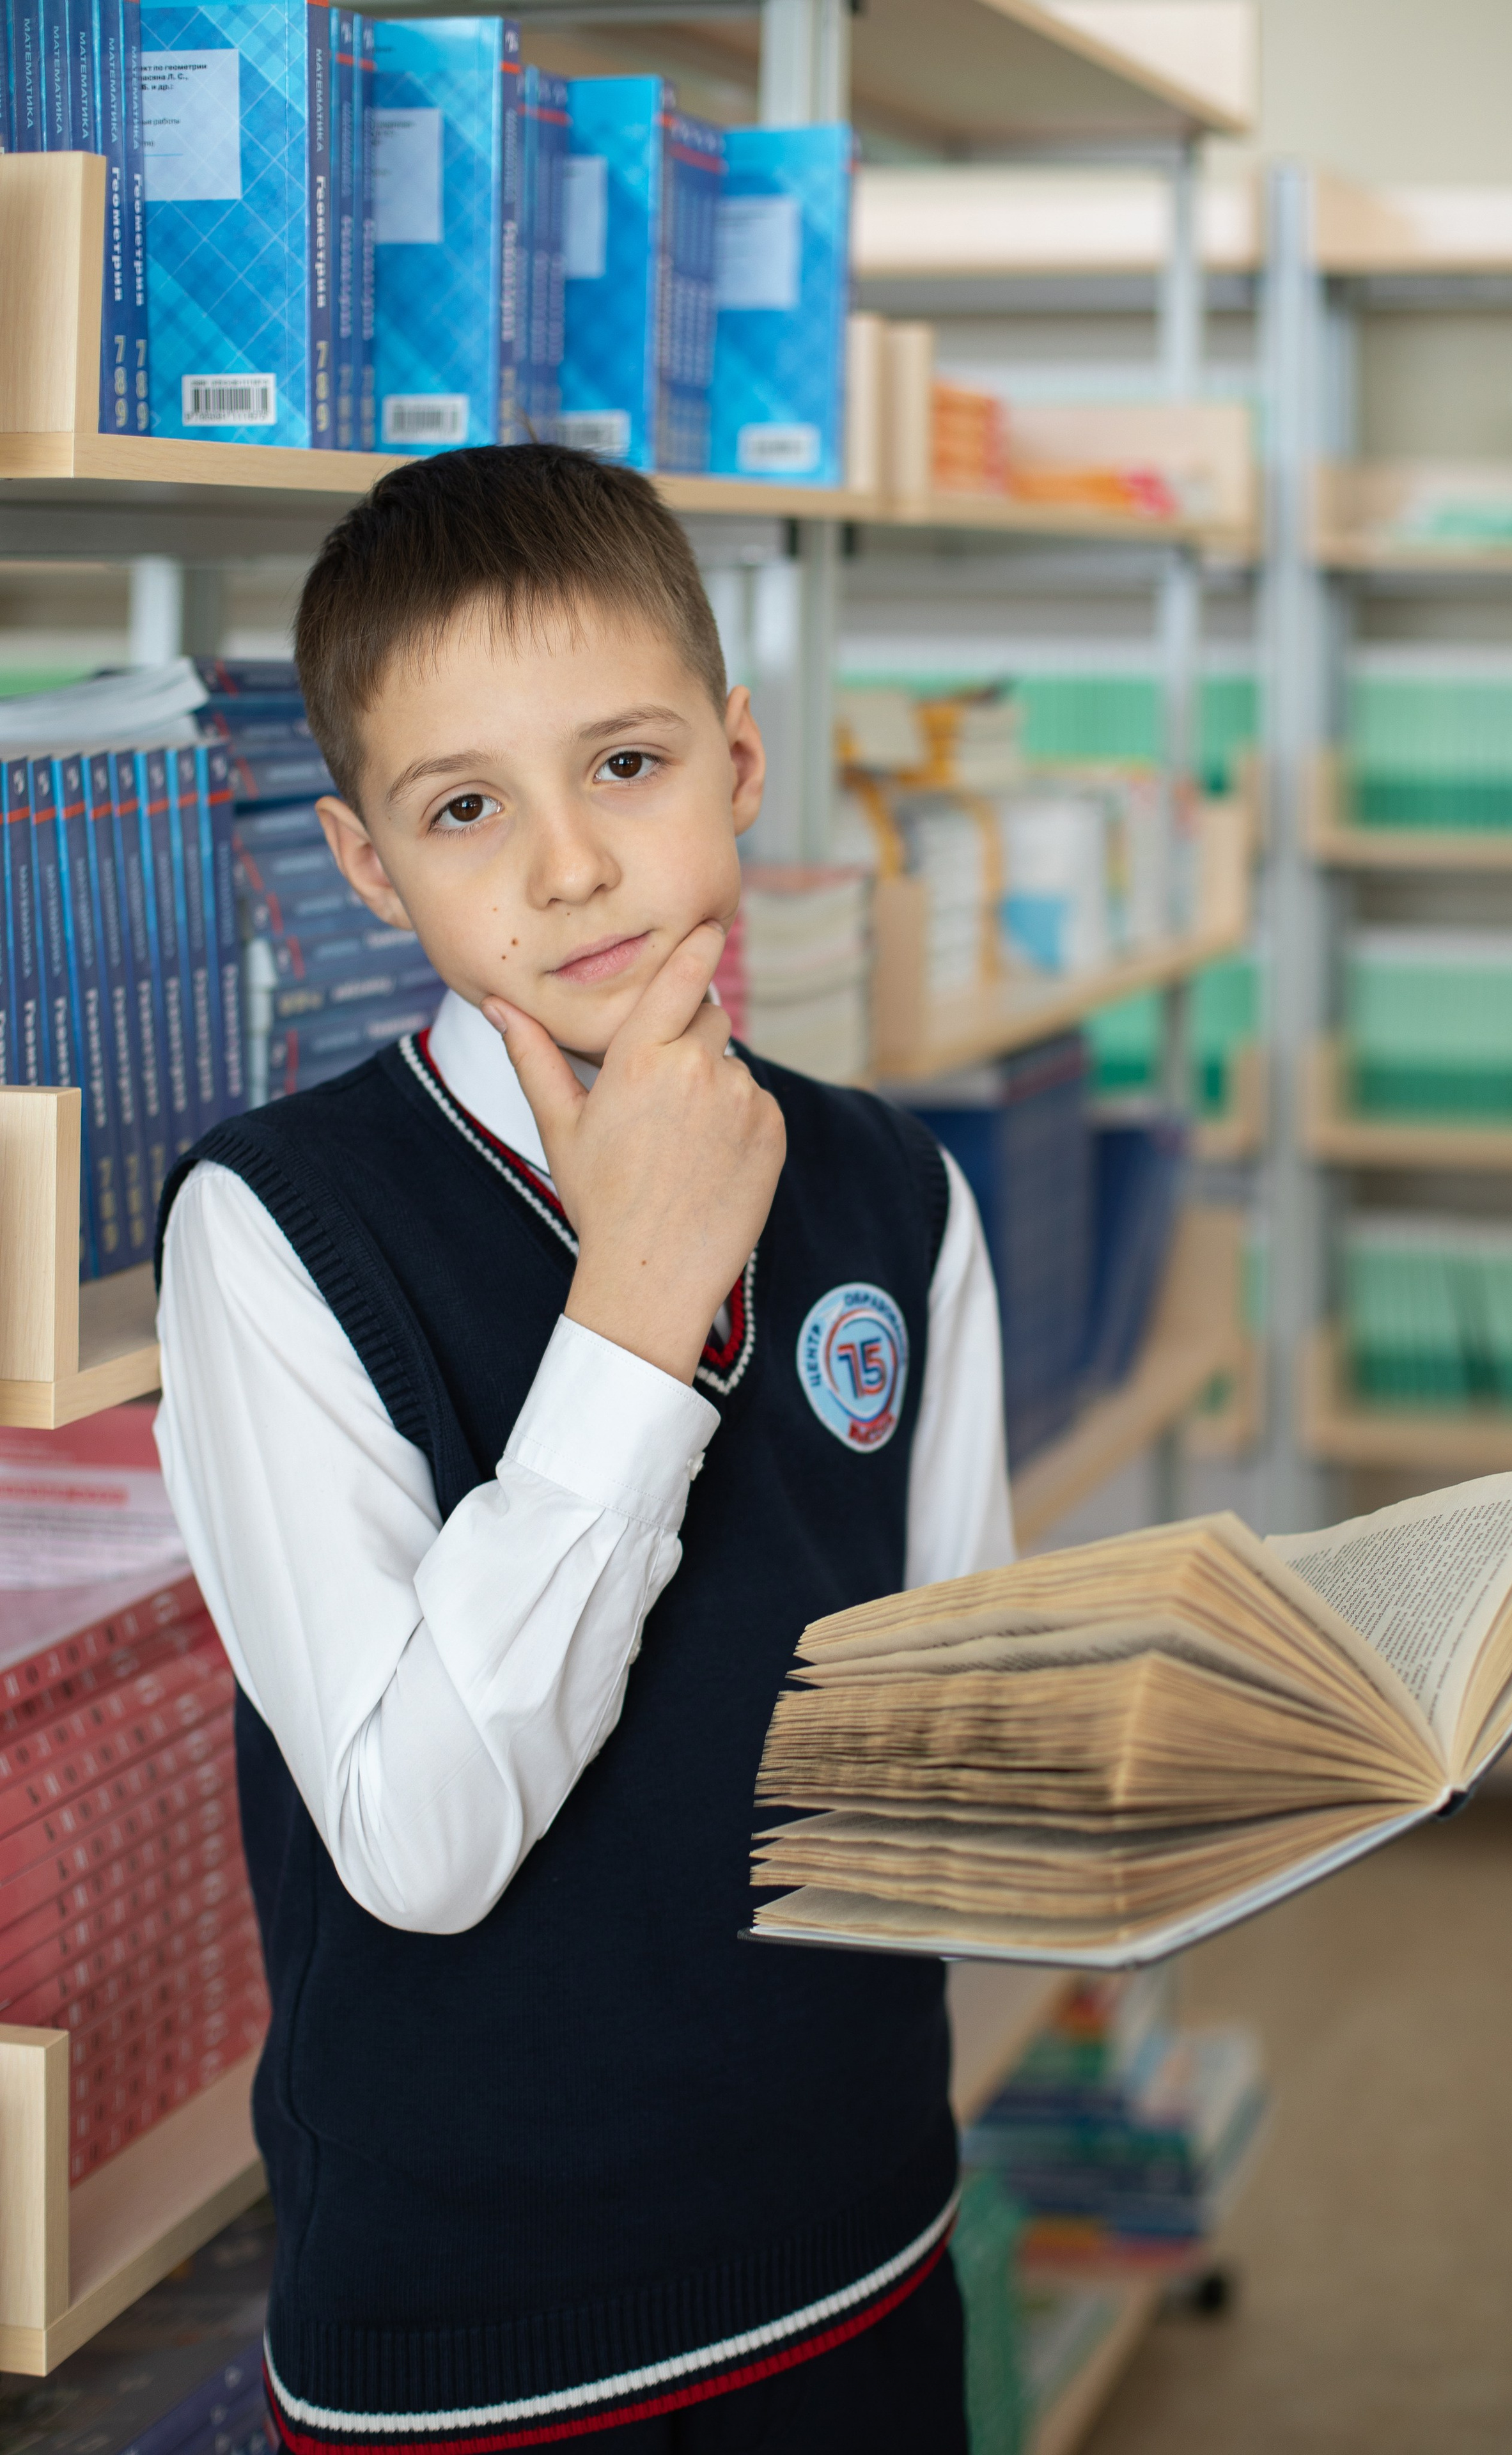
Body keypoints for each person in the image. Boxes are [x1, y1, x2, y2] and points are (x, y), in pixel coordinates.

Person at [154, 444, 1012, 2453]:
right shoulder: (273, 1229)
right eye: (468, 808)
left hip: (865, 2246)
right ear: (374, 867)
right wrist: (632, 1305)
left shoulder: (900, 1192)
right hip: (482, 2340)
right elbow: (424, 1846)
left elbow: (953, 1759)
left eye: (624, 765)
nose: (566, 867)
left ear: (737, 758)